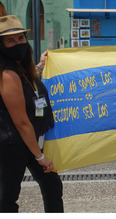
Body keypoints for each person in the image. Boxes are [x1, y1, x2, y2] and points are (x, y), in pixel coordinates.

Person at [0, 15, 63, 212]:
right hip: (12, 146)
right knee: (7, 198)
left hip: (29, 141)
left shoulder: (20, 68)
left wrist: (41, 64)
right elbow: (21, 122)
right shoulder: (6, 74)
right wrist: (39, 156)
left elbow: (29, 83)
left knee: (52, 185)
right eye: (10, 40)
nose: (18, 43)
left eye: (20, 38)